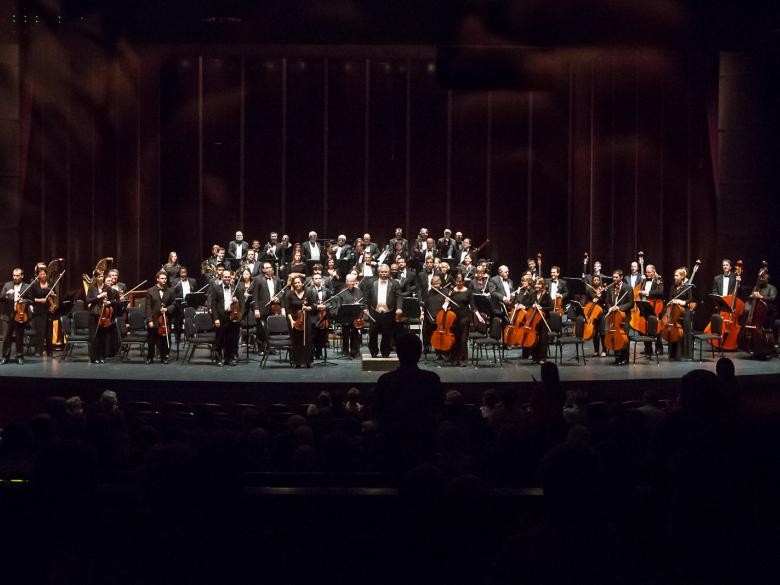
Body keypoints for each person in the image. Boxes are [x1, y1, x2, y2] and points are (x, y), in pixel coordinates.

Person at [373, 333, 444, 475]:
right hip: (424, 446)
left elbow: (379, 414)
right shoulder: (431, 380)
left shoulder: (385, 381)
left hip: (392, 446)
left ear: (398, 353)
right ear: (419, 353)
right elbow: (438, 412)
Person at [364, 264, 402, 358]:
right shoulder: (371, 282)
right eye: (382, 272)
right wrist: (365, 308)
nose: (384, 274)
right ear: (378, 272)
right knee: (373, 333)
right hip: (374, 311)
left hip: (389, 312)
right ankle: (373, 351)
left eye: (385, 272)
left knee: (387, 333)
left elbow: (399, 297)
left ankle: (385, 352)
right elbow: (366, 297)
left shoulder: (395, 283)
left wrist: (399, 308)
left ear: (389, 272)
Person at [448, 273, 484, 366]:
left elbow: (473, 306)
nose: (458, 283)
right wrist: (446, 303)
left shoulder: (468, 292)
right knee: (455, 338)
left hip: (465, 317)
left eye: (460, 281)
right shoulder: (452, 291)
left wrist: (479, 316)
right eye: (457, 281)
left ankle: (462, 360)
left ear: (463, 281)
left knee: (463, 339)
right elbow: (447, 304)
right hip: (453, 318)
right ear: (455, 281)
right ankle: (454, 359)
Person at [210, 270, 244, 366]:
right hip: (221, 317)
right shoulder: (216, 288)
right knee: (220, 339)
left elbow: (242, 303)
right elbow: (213, 305)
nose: (227, 278)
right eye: (225, 277)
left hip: (233, 316)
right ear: (222, 277)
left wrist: (236, 301)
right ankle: (219, 358)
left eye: (229, 277)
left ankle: (229, 358)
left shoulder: (235, 288)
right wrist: (215, 318)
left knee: (232, 339)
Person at [85, 273, 119, 363]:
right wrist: (99, 296)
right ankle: (94, 357)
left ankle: (101, 356)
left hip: (104, 314)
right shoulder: (92, 288)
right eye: (99, 277)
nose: (101, 278)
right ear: (96, 278)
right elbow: (87, 300)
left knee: (102, 336)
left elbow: (113, 299)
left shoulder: (107, 288)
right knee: (94, 336)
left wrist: (108, 302)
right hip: (93, 314)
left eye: (102, 276)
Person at [252, 262, 283, 355]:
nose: (270, 269)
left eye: (270, 267)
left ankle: (271, 347)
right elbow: (255, 295)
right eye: (267, 268)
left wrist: (278, 298)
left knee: (271, 328)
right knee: (261, 328)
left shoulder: (276, 279)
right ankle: (261, 348)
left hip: (274, 307)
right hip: (262, 307)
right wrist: (256, 309)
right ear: (263, 270)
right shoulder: (258, 279)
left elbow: (281, 292)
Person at [144, 270, 175, 364]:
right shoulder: (150, 291)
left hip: (165, 319)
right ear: (157, 279)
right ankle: (150, 357)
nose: (164, 280)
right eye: (162, 278)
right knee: (151, 340)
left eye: (165, 278)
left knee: (164, 340)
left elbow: (174, 304)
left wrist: (167, 309)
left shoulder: (170, 290)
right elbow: (148, 307)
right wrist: (149, 320)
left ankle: (164, 357)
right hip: (153, 319)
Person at [604, 269, 633, 365]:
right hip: (613, 316)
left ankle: (625, 358)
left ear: (621, 277)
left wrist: (619, 307)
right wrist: (609, 308)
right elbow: (607, 301)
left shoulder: (628, 288)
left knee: (624, 337)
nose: (614, 279)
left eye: (616, 277)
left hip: (624, 316)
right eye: (613, 277)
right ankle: (617, 357)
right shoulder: (610, 288)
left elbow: (631, 303)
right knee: (614, 336)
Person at [663, 267, 692, 361]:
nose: (674, 277)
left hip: (684, 312)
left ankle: (684, 355)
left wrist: (682, 302)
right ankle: (673, 354)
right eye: (674, 275)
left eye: (676, 275)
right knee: (673, 332)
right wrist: (671, 302)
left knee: (684, 333)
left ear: (682, 277)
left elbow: (690, 299)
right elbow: (670, 297)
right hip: (674, 312)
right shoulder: (673, 287)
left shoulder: (687, 287)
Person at [0, 268, 27, 364]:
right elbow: (1, 298)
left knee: (19, 336)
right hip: (7, 315)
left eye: (17, 275)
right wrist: (7, 294)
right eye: (13, 275)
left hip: (20, 314)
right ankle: (4, 357)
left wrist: (24, 301)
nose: (15, 277)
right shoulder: (7, 285)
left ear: (22, 276)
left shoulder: (26, 287)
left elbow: (31, 299)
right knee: (6, 337)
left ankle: (19, 356)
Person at [285, 274, 312, 367]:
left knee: (307, 340)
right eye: (295, 283)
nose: (297, 284)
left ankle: (308, 361)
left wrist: (309, 308)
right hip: (294, 319)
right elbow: (287, 309)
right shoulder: (289, 294)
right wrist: (291, 321)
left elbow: (314, 305)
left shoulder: (308, 292)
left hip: (306, 319)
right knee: (296, 341)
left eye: (299, 282)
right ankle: (297, 362)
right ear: (293, 284)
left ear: (302, 283)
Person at [26, 266, 54, 357]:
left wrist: (53, 297)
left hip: (48, 310)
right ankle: (39, 350)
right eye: (41, 274)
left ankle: (50, 351)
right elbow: (30, 298)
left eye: (44, 274)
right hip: (39, 310)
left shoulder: (50, 284)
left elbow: (53, 296)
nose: (43, 275)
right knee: (40, 331)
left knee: (49, 332)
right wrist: (39, 300)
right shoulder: (34, 284)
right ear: (38, 275)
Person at [338, 273, 364, 358]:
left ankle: (354, 350)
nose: (352, 283)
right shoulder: (342, 292)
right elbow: (339, 305)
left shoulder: (359, 291)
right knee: (345, 334)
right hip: (345, 316)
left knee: (355, 333)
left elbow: (362, 303)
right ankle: (345, 350)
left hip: (356, 316)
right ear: (346, 282)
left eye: (353, 281)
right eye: (350, 281)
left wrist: (359, 304)